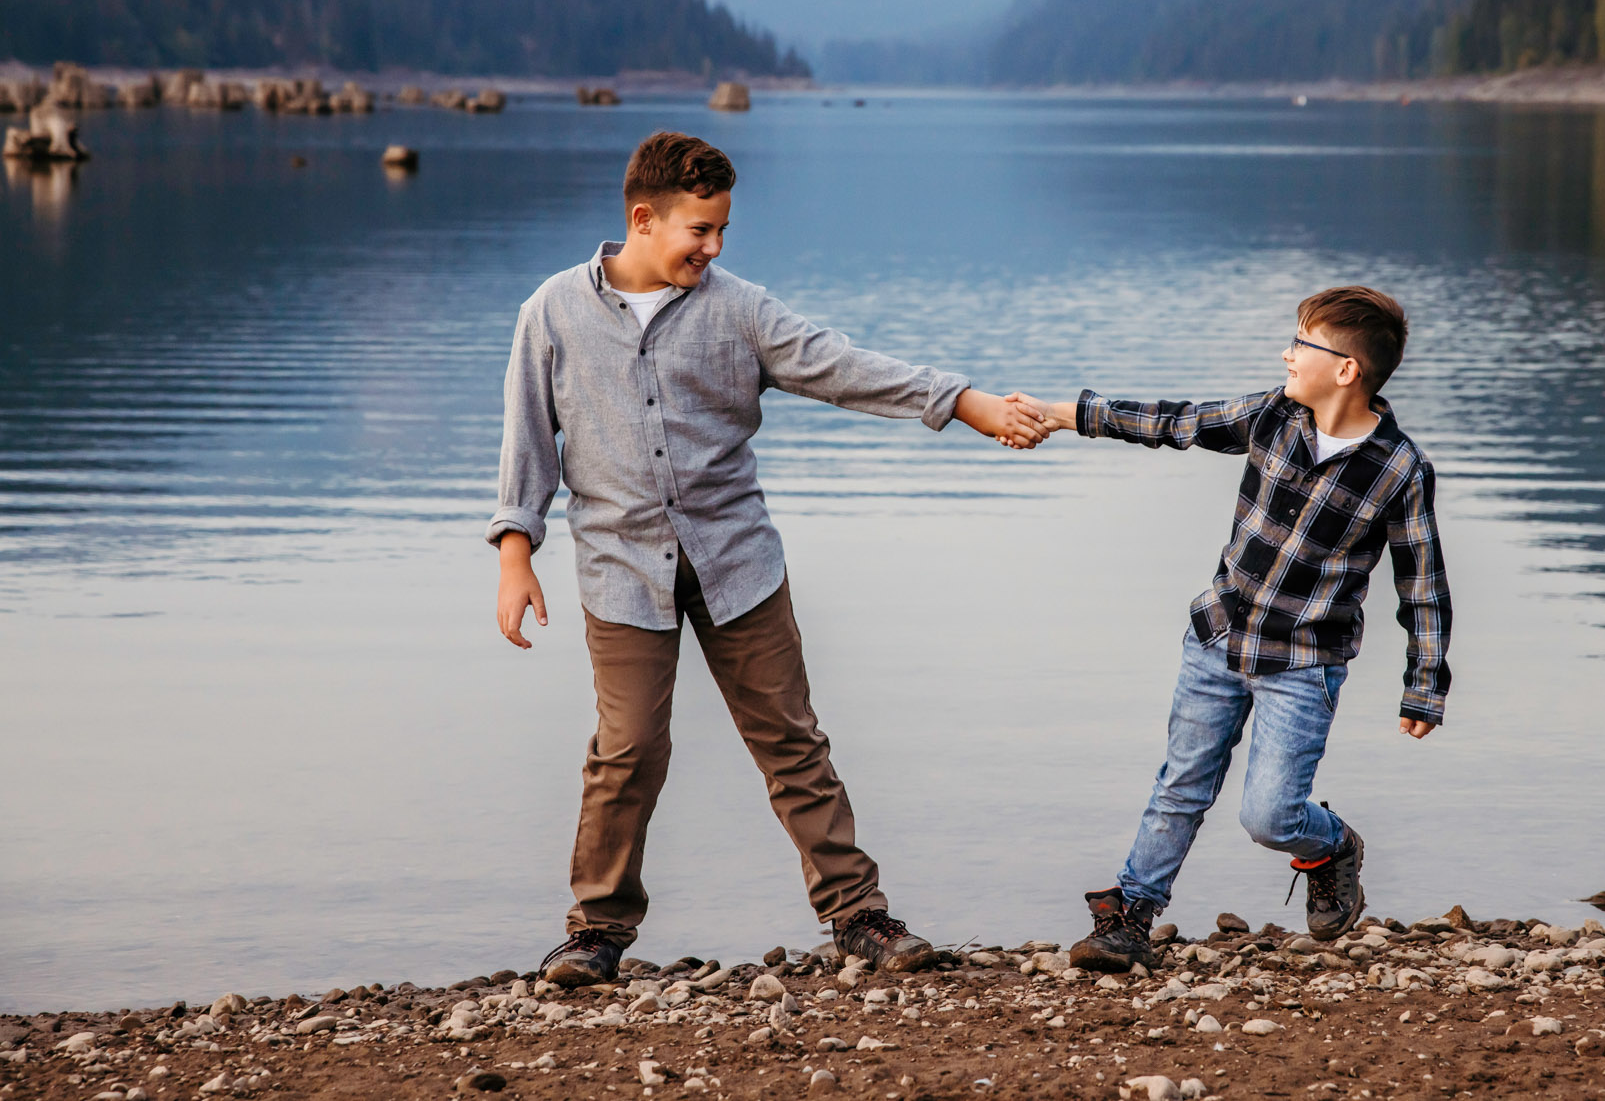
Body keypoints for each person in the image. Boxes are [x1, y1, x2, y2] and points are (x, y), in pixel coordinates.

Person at [489, 130, 1048, 986]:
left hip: (738, 563)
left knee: (791, 742)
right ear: (644, 219)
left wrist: (961, 402)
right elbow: (528, 439)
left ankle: (858, 917)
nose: (712, 250)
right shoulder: (551, 314)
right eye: (698, 232)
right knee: (627, 750)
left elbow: (840, 367)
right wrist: (515, 555)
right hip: (619, 571)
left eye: (721, 233)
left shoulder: (739, 309)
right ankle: (596, 932)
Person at [1008, 286, 1451, 972]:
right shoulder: (1274, 415)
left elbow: (1420, 584)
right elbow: (1177, 422)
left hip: (1302, 665)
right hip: (1217, 637)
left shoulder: (1398, 469)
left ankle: (1331, 845)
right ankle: (1132, 914)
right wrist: (1066, 415)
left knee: (1269, 818)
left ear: (1345, 369)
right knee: (1181, 784)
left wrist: (1424, 686)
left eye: (1303, 343)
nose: (1287, 352)